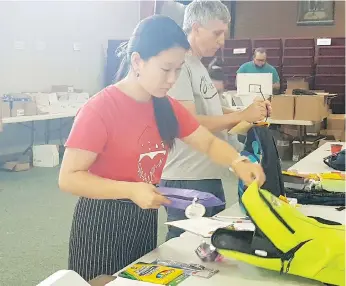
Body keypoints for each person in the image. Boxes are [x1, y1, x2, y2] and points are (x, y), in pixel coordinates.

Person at [58, 15, 265, 281]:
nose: (172, 79)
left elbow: (208, 142)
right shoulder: (100, 109)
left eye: (178, 69)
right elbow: (69, 178)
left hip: (143, 214)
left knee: (135, 279)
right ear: (137, 62)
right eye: (166, 69)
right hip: (102, 219)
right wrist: (130, 190)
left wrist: (239, 163)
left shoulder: (163, 105)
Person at [160, 1, 271, 241]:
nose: (222, 41)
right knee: (184, 247)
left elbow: (211, 110)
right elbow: (188, 122)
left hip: (208, 172)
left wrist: (247, 113)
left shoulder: (199, 66)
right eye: (217, 33)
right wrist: (241, 115)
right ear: (196, 28)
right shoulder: (179, 68)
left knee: (210, 246)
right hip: (187, 176)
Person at [207, 58, 244, 152]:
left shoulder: (223, 101)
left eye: (219, 92)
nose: (215, 96)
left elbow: (232, 139)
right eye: (213, 92)